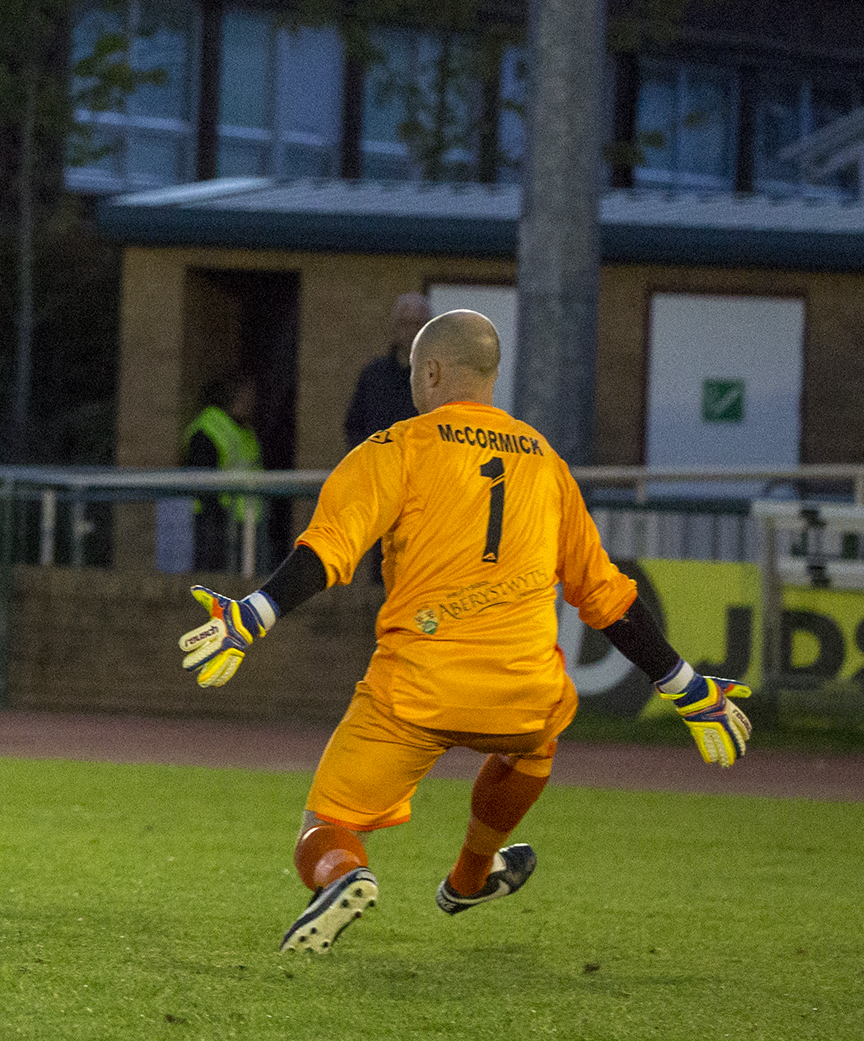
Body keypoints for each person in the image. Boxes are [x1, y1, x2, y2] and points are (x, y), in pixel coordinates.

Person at [176, 309, 753, 953]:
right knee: (535, 747)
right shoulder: (548, 465)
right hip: (521, 690)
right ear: (490, 377)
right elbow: (605, 596)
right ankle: (468, 879)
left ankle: (346, 874)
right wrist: (682, 683)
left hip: (416, 690)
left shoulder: (398, 447)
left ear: (430, 373)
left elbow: (328, 550)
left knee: (327, 823)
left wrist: (252, 614)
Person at [182, 376, 263, 572]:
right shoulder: (209, 428)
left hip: (248, 520)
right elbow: (203, 480)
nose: (254, 402)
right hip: (215, 521)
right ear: (235, 396)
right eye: (248, 396)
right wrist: (217, 514)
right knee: (213, 580)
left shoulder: (245, 431)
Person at [343, 293, 427, 449]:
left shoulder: (437, 378)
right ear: (395, 327)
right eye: (405, 324)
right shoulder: (373, 374)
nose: (411, 331)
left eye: (417, 324)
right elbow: (354, 425)